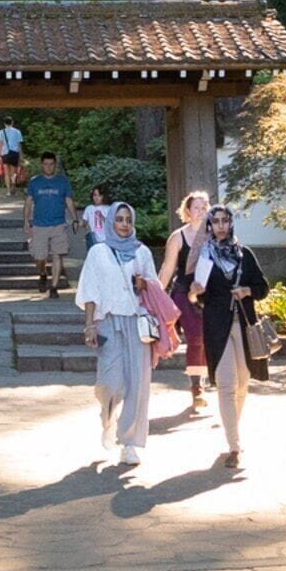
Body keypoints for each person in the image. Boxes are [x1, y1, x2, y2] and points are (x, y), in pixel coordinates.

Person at [76, 200, 163, 468]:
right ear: (111, 221)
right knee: (110, 383)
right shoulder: (98, 252)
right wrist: (89, 325)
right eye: (119, 219)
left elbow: (155, 288)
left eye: (128, 220)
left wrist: (144, 284)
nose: (124, 224)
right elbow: (89, 290)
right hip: (108, 322)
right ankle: (108, 418)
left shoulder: (142, 252)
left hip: (137, 323)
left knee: (138, 384)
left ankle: (129, 444)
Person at [190, 204, 274, 472]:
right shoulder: (204, 256)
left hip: (244, 325)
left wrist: (247, 290)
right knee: (226, 384)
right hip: (217, 327)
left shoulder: (244, 254)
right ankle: (234, 446)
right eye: (215, 221)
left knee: (242, 382)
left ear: (231, 223)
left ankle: (232, 429)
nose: (221, 226)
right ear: (209, 225)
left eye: (225, 221)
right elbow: (197, 297)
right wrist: (195, 291)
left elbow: (263, 288)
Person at [158, 190, 214, 406]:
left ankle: (207, 379)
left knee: (209, 338)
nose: (200, 211)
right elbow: (167, 269)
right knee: (196, 336)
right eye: (196, 207)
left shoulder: (214, 235)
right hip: (183, 292)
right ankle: (196, 386)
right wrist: (155, 296)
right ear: (188, 211)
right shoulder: (177, 237)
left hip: (209, 294)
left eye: (204, 207)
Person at [24, 158, 76, 294]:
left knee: (57, 255)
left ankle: (54, 287)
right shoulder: (35, 182)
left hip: (58, 224)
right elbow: (28, 202)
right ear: (42, 165)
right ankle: (43, 273)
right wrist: (26, 221)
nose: (48, 167)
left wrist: (75, 218)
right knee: (39, 257)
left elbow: (68, 200)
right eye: (46, 164)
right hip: (39, 225)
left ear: (55, 165)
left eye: (51, 164)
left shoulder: (62, 181)